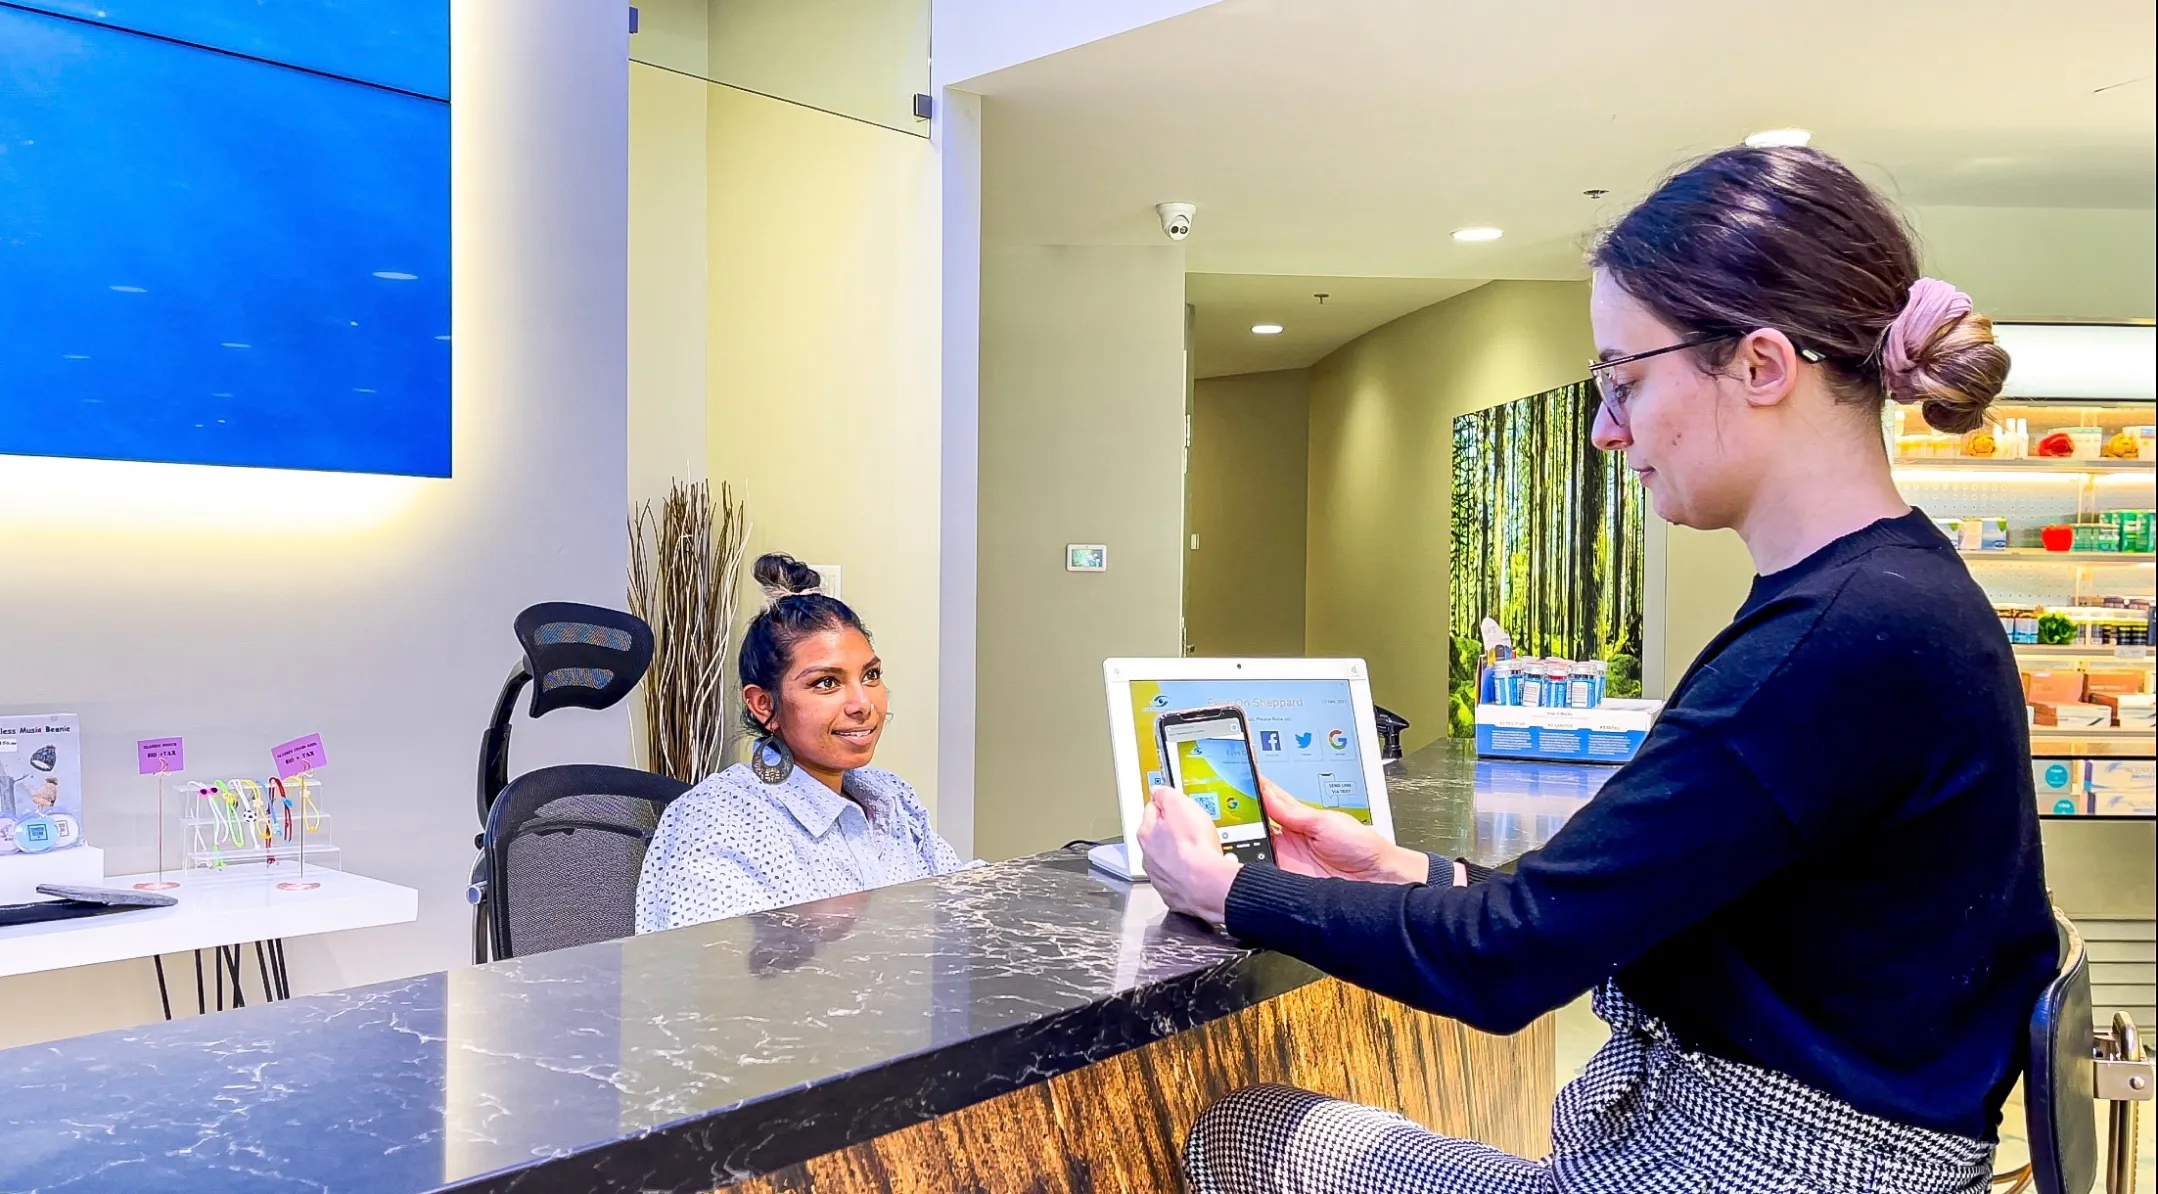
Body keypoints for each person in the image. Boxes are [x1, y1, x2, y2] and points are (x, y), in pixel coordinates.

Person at [1138, 145, 2058, 1194]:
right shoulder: (1900, 595)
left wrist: (1224, 888)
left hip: (1754, 1170)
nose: (1604, 430)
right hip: (1850, 1155)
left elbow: (1507, 962)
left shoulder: (1831, 643)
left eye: (1622, 381)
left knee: (1248, 1135)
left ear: (1760, 365)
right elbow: (1603, 911)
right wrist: (1403, 871)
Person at [635, 554, 964, 933]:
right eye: (826, 682)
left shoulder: (891, 795)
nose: (863, 704)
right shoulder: (720, 821)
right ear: (764, 704)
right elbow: (724, 974)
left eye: (870, 675)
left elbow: (955, 896)